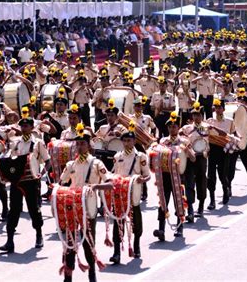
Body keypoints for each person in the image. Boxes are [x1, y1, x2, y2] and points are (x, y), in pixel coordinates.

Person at [59, 124, 112, 282]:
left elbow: (109, 184)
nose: (79, 146)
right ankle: (68, 277)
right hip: (73, 207)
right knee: (70, 242)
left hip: (89, 209)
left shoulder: (96, 163)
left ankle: (92, 274)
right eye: (78, 143)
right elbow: (61, 184)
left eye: (82, 143)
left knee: (88, 242)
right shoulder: (71, 165)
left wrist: (96, 186)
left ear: (89, 145)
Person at [0, 110, 51, 253]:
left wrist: (41, 173)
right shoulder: (16, 142)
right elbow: (11, 159)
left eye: (27, 126)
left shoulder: (38, 143)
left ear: (32, 127)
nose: (24, 128)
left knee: (34, 209)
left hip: (31, 180)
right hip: (17, 181)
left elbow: (48, 161)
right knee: (14, 210)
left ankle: (39, 235)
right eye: (22, 126)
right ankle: (10, 241)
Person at [109, 121, 150, 264]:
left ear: (134, 141)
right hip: (120, 192)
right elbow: (114, 173)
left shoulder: (141, 157)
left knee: (136, 220)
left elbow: (148, 175)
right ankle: (116, 252)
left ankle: (137, 244)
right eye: (125, 140)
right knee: (117, 221)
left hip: (134, 192)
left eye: (129, 140)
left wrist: (140, 180)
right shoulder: (117, 156)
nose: (127, 143)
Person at [153, 112, 195, 241]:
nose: (172, 129)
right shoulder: (163, 141)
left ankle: (179, 227)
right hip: (165, 176)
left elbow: (193, 158)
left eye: (175, 126)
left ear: (178, 127)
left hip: (178, 176)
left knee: (179, 201)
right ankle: (161, 229)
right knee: (163, 202)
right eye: (170, 127)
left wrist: (187, 150)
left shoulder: (184, 141)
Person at [180, 102, 210, 219]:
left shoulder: (206, 127)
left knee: (202, 181)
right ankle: (191, 210)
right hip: (190, 158)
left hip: (201, 157)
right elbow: (179, 137)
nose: (196, 117)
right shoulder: (187, 128)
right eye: (194, 115)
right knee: (189, 183)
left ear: (202, 116)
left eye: (198, 115)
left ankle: (201, 207)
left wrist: (206, 151)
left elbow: (208, 142)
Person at [206, 99, 233, 209]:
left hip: (223, 150)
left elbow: (231, 134)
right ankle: (212, 200)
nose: (217, 110)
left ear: (223, 109)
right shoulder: (209, 121)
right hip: (212, 150)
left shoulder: (229, 121)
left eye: (219, 108)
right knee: (211, 176)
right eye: (216, 108)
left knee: (222, 174)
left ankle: (225, 189)